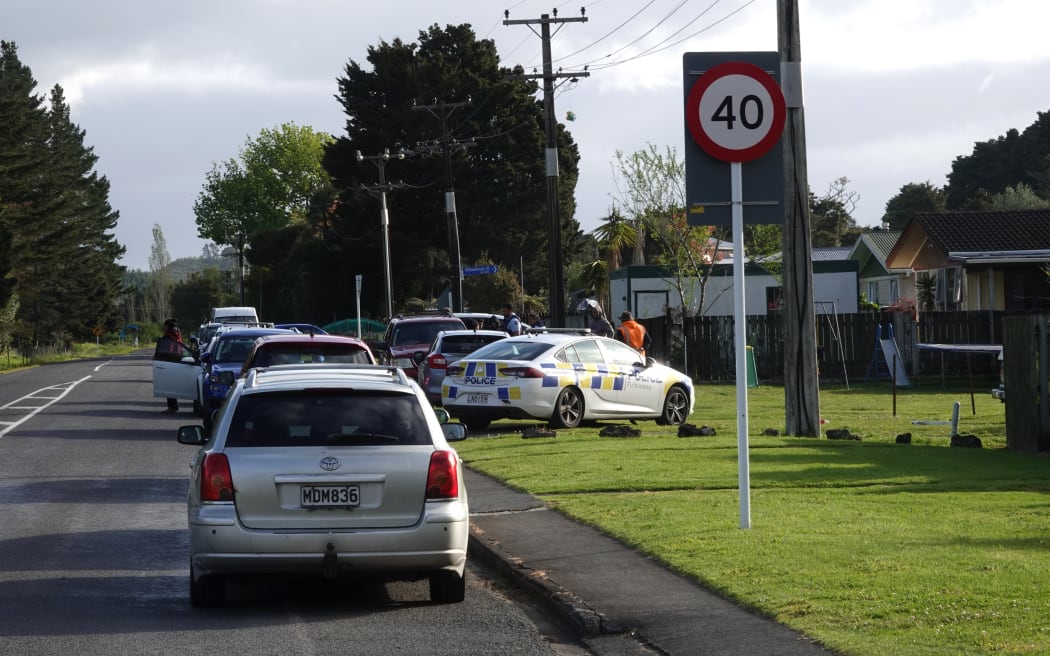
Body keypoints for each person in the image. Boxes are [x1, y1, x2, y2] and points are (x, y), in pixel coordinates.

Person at [155, 318, 184, 413]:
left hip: (169, 363)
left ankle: (172, 407)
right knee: (170, 385)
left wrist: (158, 356)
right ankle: (173, 406)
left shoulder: (168, 337)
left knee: (168, 386)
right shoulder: (177, 335)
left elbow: (167, 351)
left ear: (168, 326)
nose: (163, 328)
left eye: (165, 326)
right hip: (177, 362)